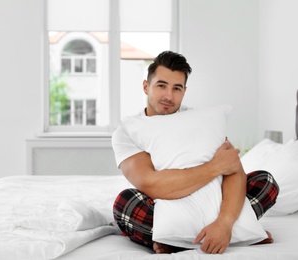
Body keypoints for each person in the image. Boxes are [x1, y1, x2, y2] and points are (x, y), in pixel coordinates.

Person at [112, 51, 279, 254]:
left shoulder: (201, 121)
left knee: (265, 182)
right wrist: (215, 167)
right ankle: (232, 234)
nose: (168, 96)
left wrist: (225, 223)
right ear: (146, 87)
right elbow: (152, 185)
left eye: (177, 88)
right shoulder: (128, 131)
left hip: (214, 203)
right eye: (161, 86)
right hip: (163, 205)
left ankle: (194, 238)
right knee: (126, 204)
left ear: (184, 91)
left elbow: (234, 170)